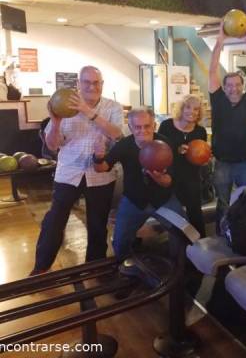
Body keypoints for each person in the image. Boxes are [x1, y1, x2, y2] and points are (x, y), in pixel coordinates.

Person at [31, 66, 123, 275]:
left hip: (100, 174)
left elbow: (117, 134)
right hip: (68, 173)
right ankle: (42, 266)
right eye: (87, 82)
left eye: (96, 82)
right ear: (78, 84)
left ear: (102, 84)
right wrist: (55, 123)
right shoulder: (63, 107)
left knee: (98, 223)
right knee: (54, 219)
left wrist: (87, 111)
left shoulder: (113, 107)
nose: (92, 86)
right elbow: (53, 146)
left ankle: (95, 266)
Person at [94, 107, 186, 259]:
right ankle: (123, 268)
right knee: (120, 243)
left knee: (182, 233)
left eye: (147, 126)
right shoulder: (124, 145)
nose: (142, 130)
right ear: (130, 127)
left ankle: (178, 268)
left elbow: (169, 181)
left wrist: (160, 179)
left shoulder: (165, 144)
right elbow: (102, 168)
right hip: (133, 200)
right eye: (137, 127)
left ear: (154, 125)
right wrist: (98, 157)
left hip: (163, 200)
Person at [209, 21, 246, 224]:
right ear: (224, 86)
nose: (233, 88)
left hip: (245, 163)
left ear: (242, 85)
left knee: (245, 201)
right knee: (222, 202)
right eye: (229, 85)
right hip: (222, 162)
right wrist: (220, 42)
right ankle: (222, 234)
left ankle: (242, 232)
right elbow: (212, 71)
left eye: (237, 84)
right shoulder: (218, 98)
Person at [158, 95, 207, 237]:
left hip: (191, 178)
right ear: (181, 108)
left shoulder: (200, 131)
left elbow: (200, 155)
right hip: (169, 177)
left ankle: (200, 244)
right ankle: (177, 244)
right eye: (188, 107)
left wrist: (204, 156)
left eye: (196, 109)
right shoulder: (167, 126)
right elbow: (160, 150)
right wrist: (177, 150)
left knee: (195, 213)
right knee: (173, 215)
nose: (192, 111)